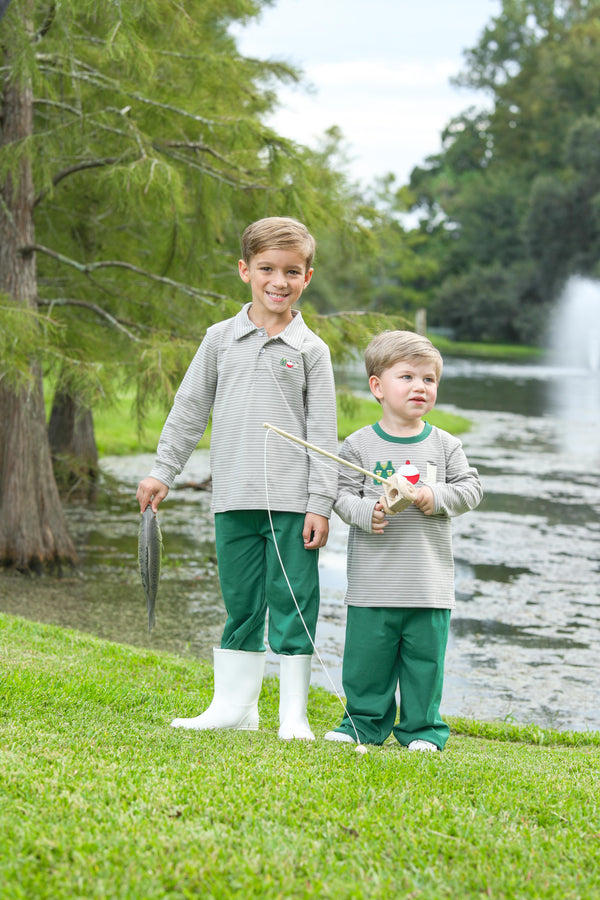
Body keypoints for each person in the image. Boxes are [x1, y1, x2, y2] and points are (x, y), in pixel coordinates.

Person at [136, 216, 338, 740]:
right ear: (245, 270)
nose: (279, 280)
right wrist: (165, 470)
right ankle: (234, 707)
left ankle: (292, 717)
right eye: (267, 268)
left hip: (294, 504)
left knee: (293, 602)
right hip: (233, 497)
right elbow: (189, 407)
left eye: (292, 271)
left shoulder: (311, 351)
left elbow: (324, 434)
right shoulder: (220, 338)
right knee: (242, 602)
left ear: (307, 277)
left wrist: (321, 502)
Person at [325, 331, 482, 751]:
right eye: (407, 377)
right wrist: (366, 512)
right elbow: (341, 494)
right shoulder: (358, 444)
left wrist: (436, 496)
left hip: (428, 585)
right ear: (377, 386)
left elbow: (471, 489)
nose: (420, 387)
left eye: (429, 380)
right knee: (366, 663)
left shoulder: (446, 446)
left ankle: (422, 730)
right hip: (373, 585)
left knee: (424, 664)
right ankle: (362, 724)